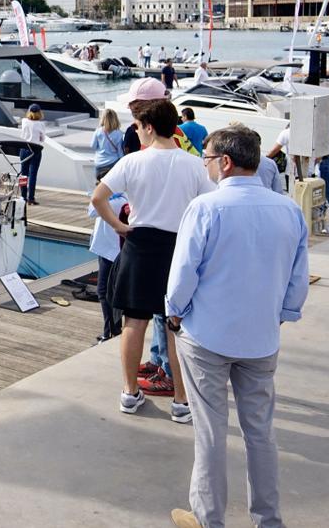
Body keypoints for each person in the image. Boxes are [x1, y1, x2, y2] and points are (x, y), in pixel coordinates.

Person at [165, 126, 309, 528]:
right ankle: (268, 519)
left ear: (225, 162)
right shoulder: (288, 209)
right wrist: (282, 314)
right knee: (260, 432)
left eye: (207, 158)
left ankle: (210, 520)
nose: (205, 165)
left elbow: (183, 275)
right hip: (262, 337)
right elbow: (298, 279)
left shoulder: (206, 207)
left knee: (210, 432)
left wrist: (174, 312)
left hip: (206, 335)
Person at [91, 98, 214, 423]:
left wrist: (118, 225)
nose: (136, 131)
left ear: (148, 127)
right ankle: (181, 400)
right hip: (177, 248)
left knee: (134, 323)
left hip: (139, 243)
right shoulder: (193, 163)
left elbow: (98, 197)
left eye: (138, 126)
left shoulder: (132, 162)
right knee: (175, 326)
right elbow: (211, 205)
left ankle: (130, 392)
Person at [88, 190, 127, 343]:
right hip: (110, 249)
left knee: (104, 292)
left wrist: (97, 194)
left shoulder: (114, 201)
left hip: (110, 252)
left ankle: (110, 332)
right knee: (112, 291)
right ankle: (113, 329)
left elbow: (91, 211)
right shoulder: (121, 198)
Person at [19, 104, 46, 205]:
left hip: (24, 148)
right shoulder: (40, 124)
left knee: (23, 173)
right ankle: (31, 198)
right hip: (35, 149)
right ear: (39, 112)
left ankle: (23, 196)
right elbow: (42, 139)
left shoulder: (24, 121)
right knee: (33, 174)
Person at [91, 108, 125, 180]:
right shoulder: (119, 134)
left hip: (99, 163)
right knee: (112, 187)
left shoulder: (98, 131)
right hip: (113, 163)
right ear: (115, 119)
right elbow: (120, 152)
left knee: (99, 185)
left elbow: (93, 146)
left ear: (103, 118)